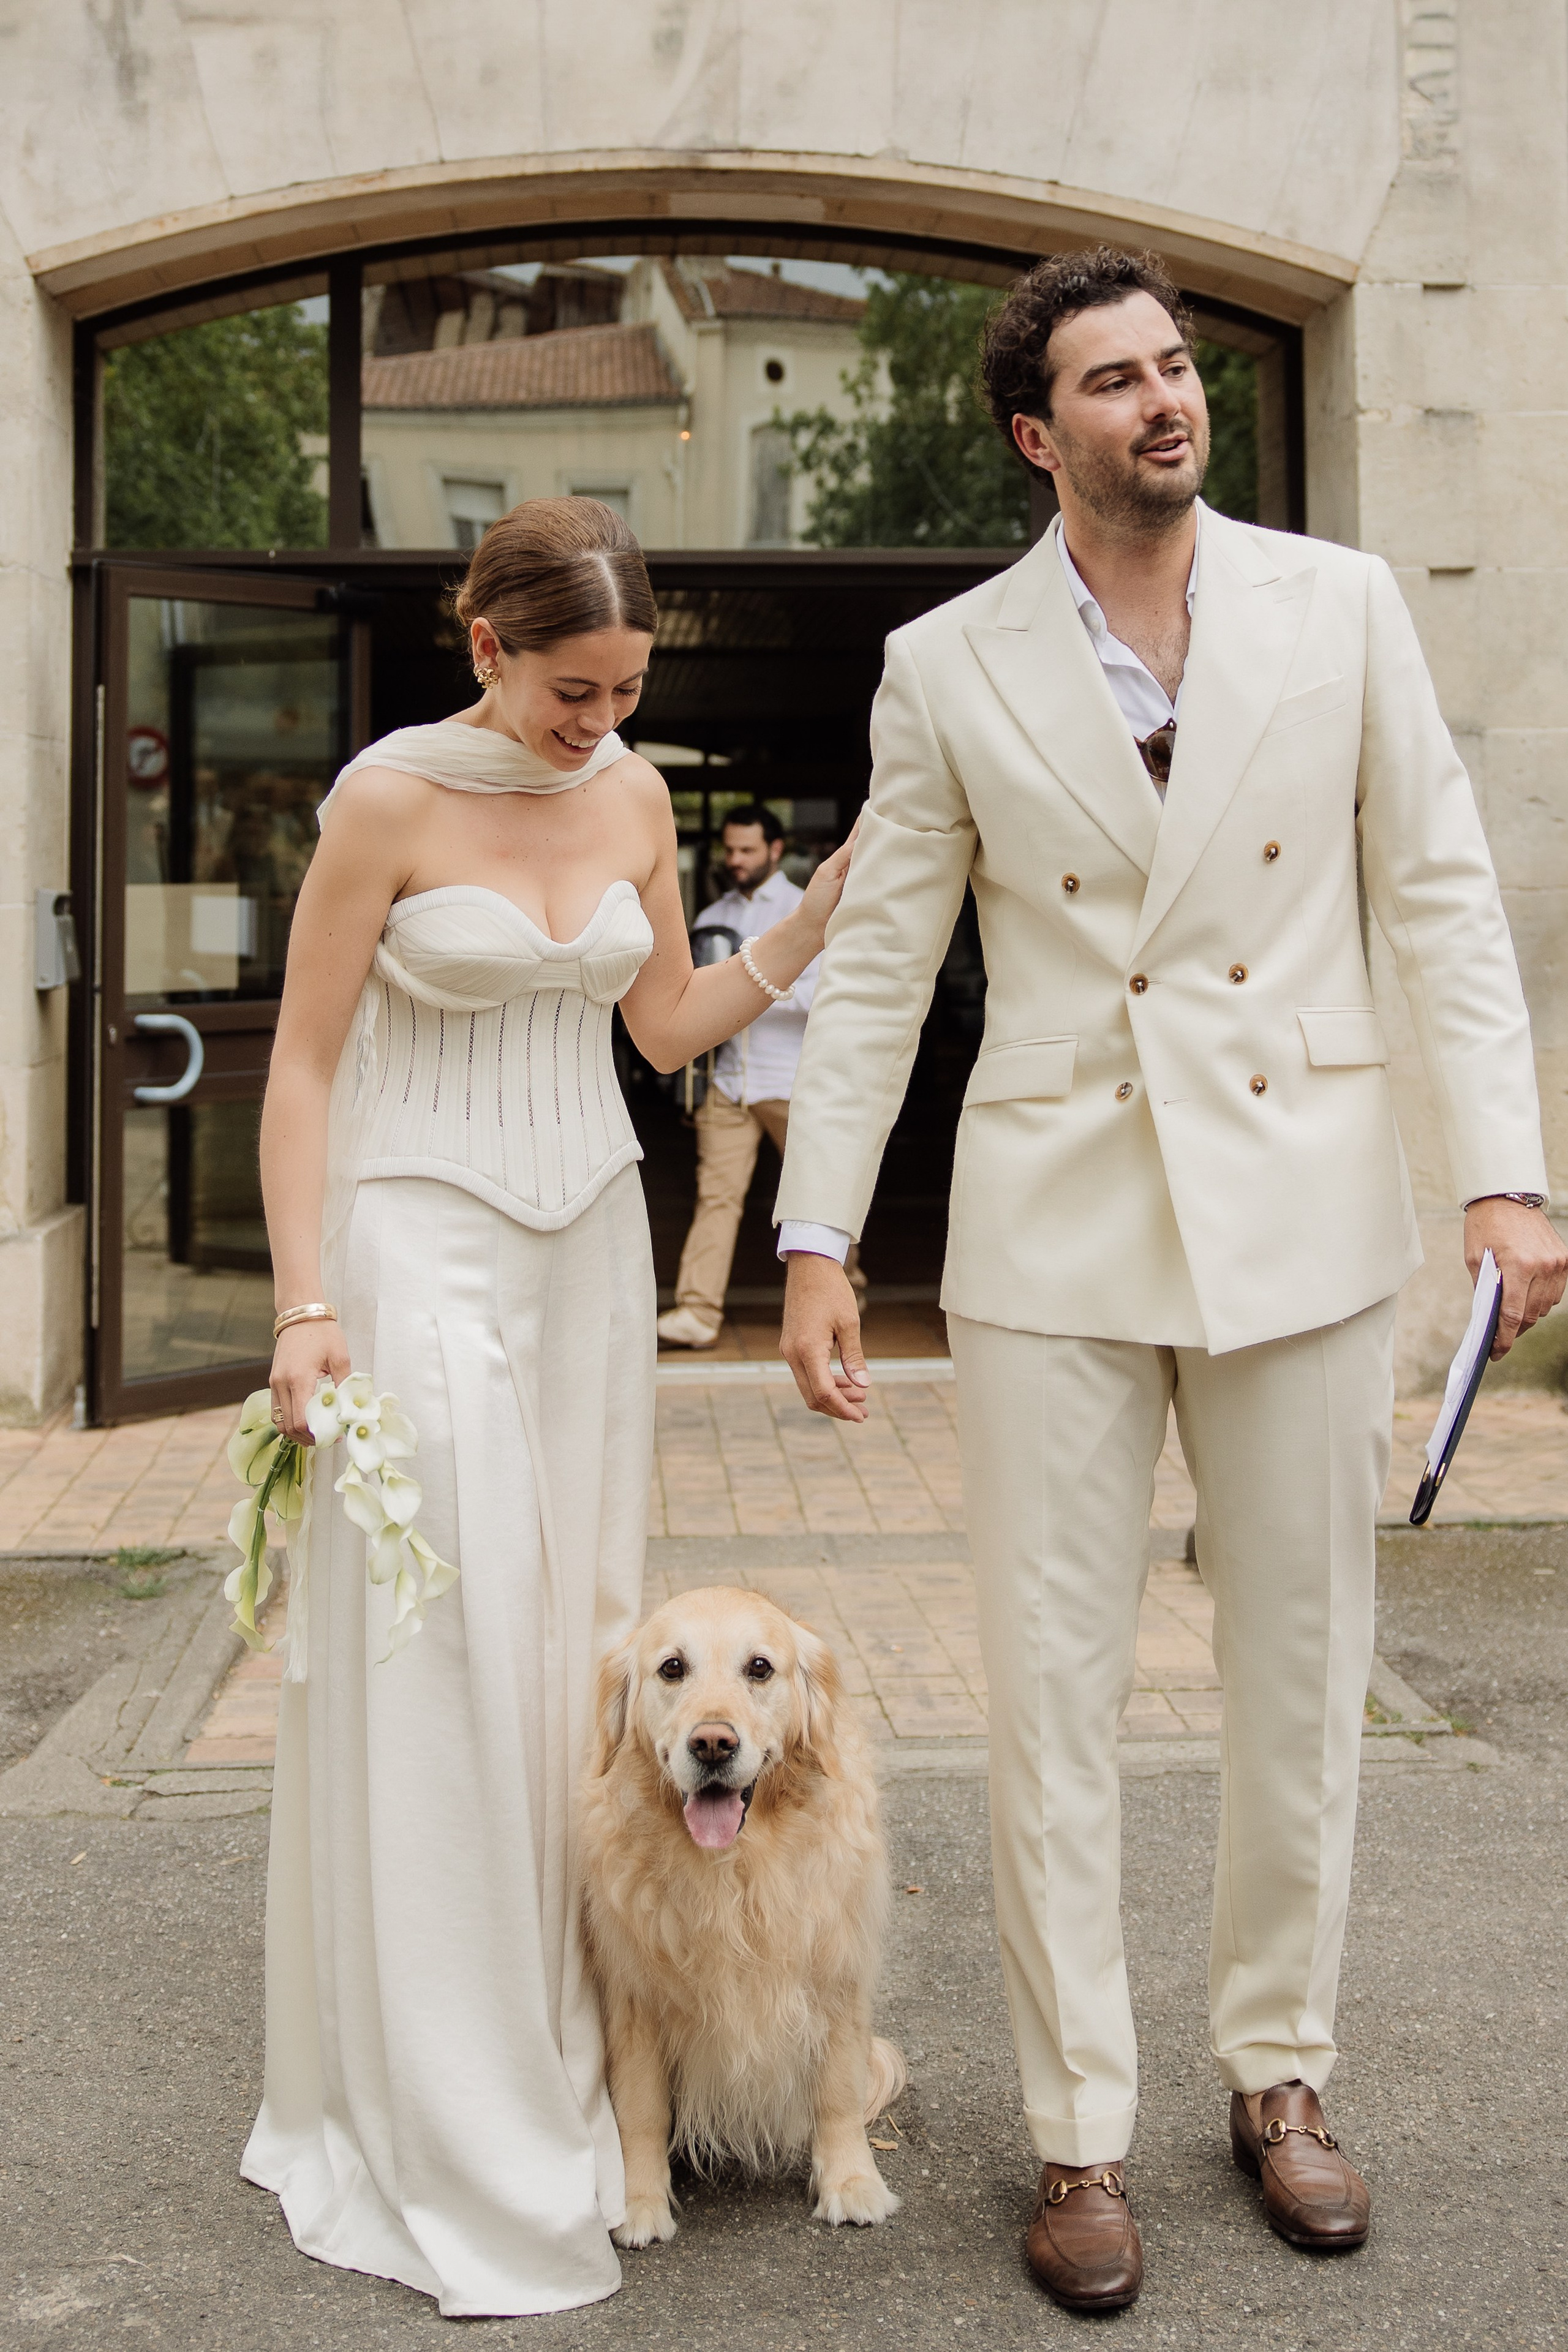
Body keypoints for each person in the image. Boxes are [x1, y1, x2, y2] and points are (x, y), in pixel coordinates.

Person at [774, 248, 1566, 2313]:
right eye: (1115, 380)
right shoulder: (948, 664)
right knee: (1052, 1697)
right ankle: (1077, 2130)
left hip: (1303, 1201)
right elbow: (882, 964)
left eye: (1178, 365)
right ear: (1042, 433)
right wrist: (818, 1232)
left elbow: (1442, 899)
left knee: (1302, 1674)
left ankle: (1280, 2077)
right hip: (1057, 1222)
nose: (1166, 400)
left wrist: (1507, 1179)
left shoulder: (1345, 605)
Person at [246, 497, 851, 2318]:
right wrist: (301, 1303)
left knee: (585, 1642)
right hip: (415, 1231)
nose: (601, 721)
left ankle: (599, 2058)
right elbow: (302, 1062)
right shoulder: (383, 799)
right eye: (572, 689)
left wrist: (813, 915)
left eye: (625, 690)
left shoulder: (642, 798)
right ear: (486, 642)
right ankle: (453, 2098)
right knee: (456, 1640)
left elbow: (665, 1026)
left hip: (591, 1237)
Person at [655, 804, 864, 1349]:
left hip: (795, 1083)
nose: (736, 860)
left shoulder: (812, 910)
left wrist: (749, 987)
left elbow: (833, 996)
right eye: (731, 850)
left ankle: (849, 1289)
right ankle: (697, 1314)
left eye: (748, 850)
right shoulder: (710, 918)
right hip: (729, 1083)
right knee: (716, 1198)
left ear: (775, 850)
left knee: (819, 1195)